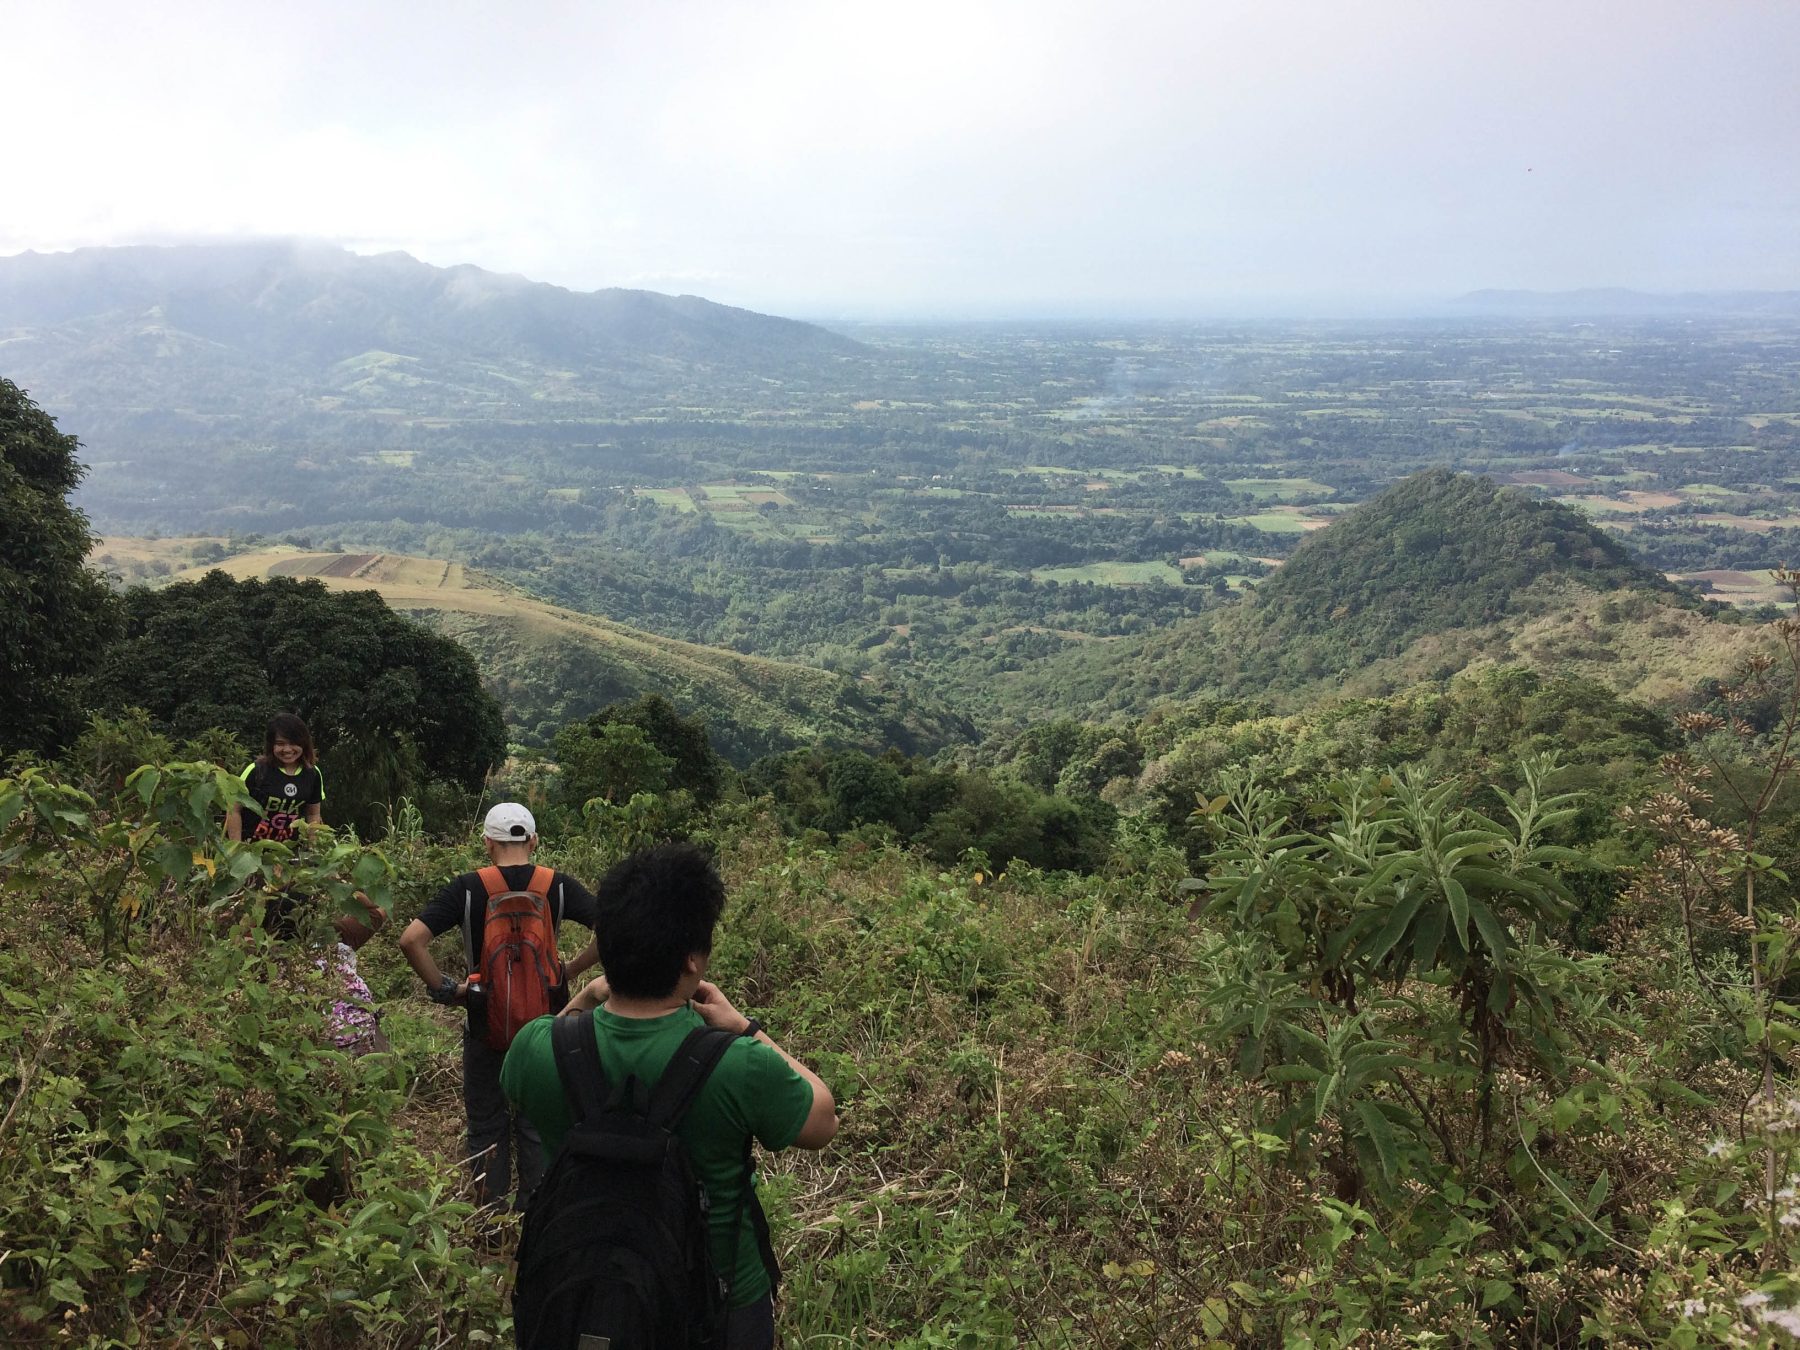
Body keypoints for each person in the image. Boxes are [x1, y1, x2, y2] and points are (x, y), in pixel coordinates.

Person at [501, 842, 838, 1349]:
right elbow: (824, 1120)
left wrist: (590, 994)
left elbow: (548, 1038)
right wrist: (746, 1028)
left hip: (577, 1292)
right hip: (718, 1304)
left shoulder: (536, 1050)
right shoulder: (738, 1063)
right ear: (694, 960)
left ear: (606, 948)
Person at [398, 802, 600, 1209]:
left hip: (483, 1022)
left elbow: (411, 940)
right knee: (537, 1123)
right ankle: (535, 1219)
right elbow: (613, 930)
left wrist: (447, 990)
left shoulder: (468, 887)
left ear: (488, 843)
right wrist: (569, 971)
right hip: (546, 1026)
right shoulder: (557, 885)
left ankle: (490, 1224)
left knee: (486, 1122)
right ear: (534, 841)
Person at [227, 713, 325, 843]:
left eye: (293, 743)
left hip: (288, 855)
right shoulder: (256, 770)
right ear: (271, 745)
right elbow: (233, 810)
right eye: (280, 743)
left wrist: (314, 850)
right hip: (251, 852)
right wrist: (236, 849)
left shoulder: (313, 774)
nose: (287, 749)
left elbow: (313, 815)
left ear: (304, 743)